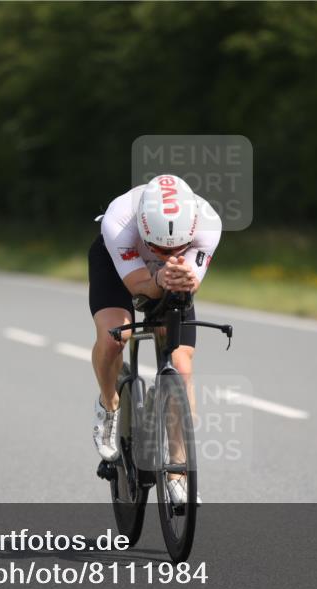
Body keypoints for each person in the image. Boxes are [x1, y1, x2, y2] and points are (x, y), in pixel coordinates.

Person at [88, 174, 221, 504]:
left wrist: (185, 278)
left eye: (177, 248)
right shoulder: (120, 220)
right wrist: (157, 275)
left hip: (170, 277)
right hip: (119, 266)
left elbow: (191, 285)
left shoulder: (208, 223)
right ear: (145, 230)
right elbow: (138, 287)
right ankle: (109, 404)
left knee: (181, 362)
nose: (168, 252)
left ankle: (178, 471)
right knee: (114, 338)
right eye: (160, 248)